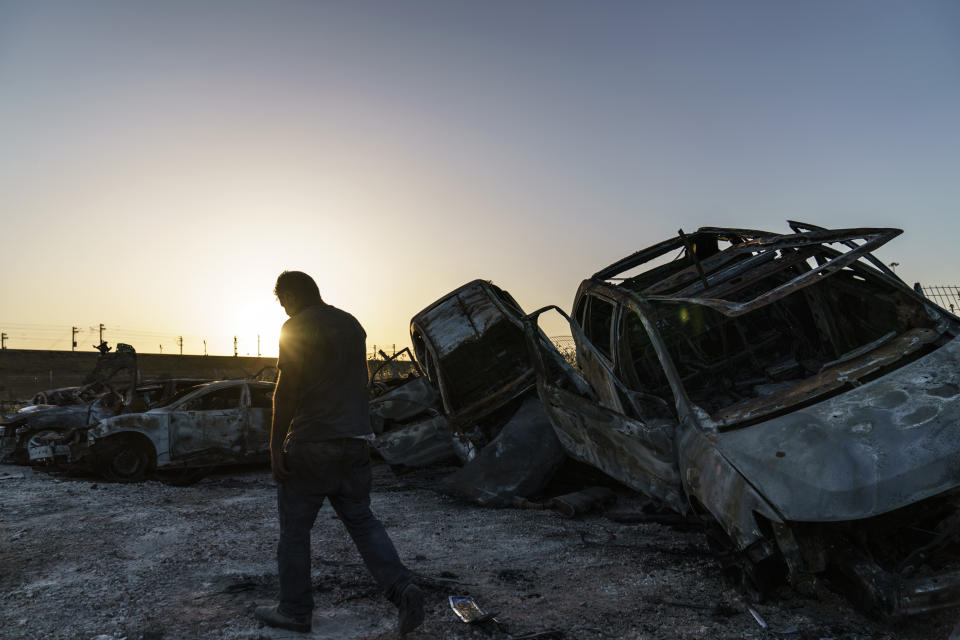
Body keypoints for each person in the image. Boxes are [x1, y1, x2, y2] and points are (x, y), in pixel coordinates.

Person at [255, 271, 424, 634]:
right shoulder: (351, 324)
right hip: (355, 443)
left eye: (282, 301)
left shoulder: (296, 327)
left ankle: (295, 611)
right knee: (362, 521)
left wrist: (274, 448)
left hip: (312, 443)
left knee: (295, 532)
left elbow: (286, 392)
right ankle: (402, 588)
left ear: (291, 295)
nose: (283, 310)